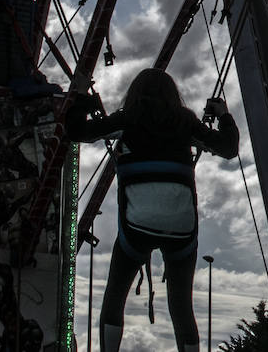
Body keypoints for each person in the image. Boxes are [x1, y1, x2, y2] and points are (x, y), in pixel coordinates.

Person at [68, 68, 238, 352]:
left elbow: (77, 132)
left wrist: (81, 98)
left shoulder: (127, 119)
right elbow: (229, 148)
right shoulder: (186, 122)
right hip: (182, 229)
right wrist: (223, 116)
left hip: (137, 227)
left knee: (115, 296)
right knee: (181, 305)